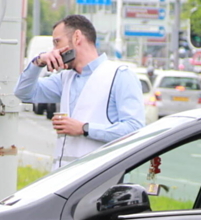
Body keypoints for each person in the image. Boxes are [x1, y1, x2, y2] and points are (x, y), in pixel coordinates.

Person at [14, 14, 144, 170]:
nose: (54, 50)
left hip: (100, 178)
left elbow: (134, 129)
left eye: (57, 43)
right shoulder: (64, 78)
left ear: (77, 37)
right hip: (64, 179)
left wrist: (84, 128)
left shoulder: (120, 75)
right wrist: (39, 61)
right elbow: (23, 93)